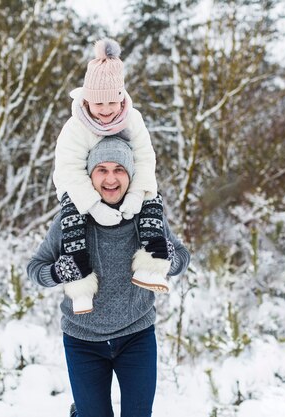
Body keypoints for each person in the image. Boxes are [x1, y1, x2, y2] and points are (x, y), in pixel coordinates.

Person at [27, 137, 190, 417]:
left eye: (119, 170)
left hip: (136, 337)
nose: (111, 178)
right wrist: (59, 271)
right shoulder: (70, 218)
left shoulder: (147, 215)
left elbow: (182, 257)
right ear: (90, 176)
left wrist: (165, 258)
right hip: (82, 340)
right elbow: (35, 268)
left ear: (130, 175)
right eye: (102, 170)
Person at [52, 38, 170, 315]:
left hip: (123, 183)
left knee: (153, 200)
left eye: (111, 102)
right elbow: (69, 169)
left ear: (121, 98)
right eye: (97, 103)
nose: (105, 110)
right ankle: (80, 284)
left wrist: (137, 194)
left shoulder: (133, 119)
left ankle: (152, 265)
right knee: (72, 221)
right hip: (79, 187)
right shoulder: (75, 127)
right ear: (86, 99)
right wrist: (93, 205)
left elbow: (144, 158)